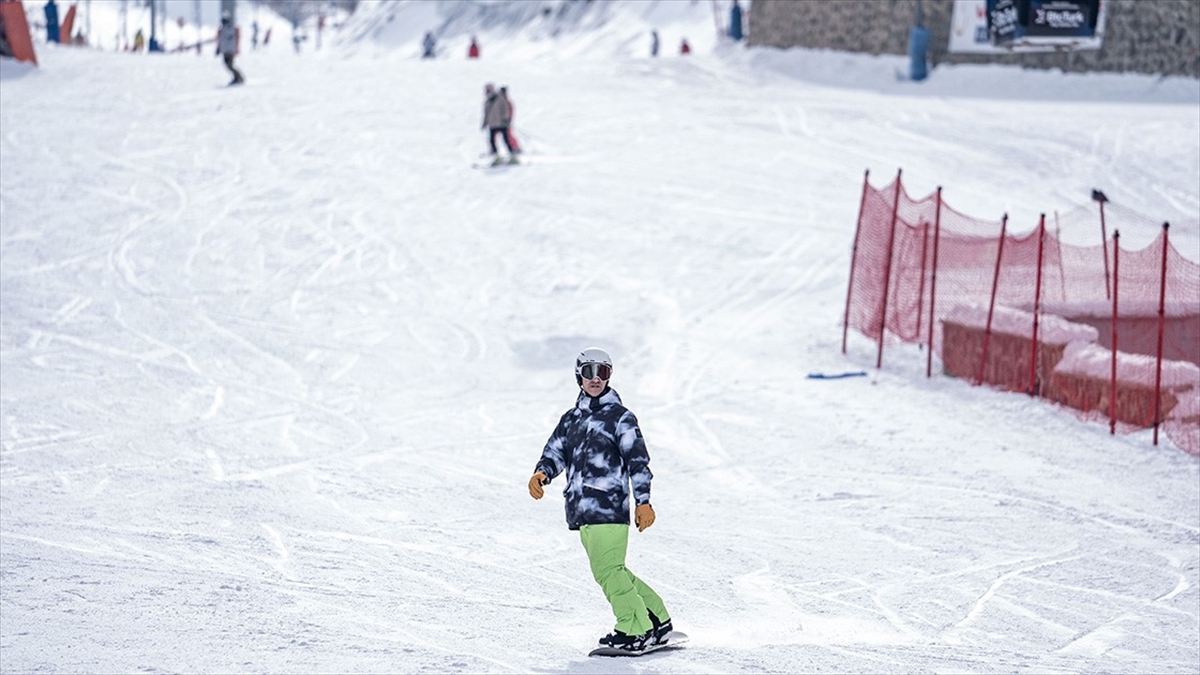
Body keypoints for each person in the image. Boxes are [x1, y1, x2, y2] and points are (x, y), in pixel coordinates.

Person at [528, 348, 674, 653]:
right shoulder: (571, 419)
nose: (596, 379)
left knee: (607, 572)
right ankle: (657, 620)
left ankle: (633, 629)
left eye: (603, 372)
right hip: (581, 510)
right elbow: (555, 452)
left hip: (609, 506)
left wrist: (643, 501)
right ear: (578, 376)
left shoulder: (620, 417)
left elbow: (638, 461)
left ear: (609, 376)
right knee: (614, 569)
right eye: (589, 372)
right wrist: (542, 473)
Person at [481, 82, 515, 165]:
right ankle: (496, 157)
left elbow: (505, 109)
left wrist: (506, 119)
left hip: (502, 123)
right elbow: (486, 113)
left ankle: (513, 156)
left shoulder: (500, 98)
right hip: (492, 124)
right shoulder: (487, 102)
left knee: (506, 140)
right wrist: (484, 122)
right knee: (492, 141)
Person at [216, 16, 244, 85]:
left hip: (227, 50)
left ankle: (239, 77)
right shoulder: (232, 29)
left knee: (229, 65)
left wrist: (218, 48)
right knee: (229, 65)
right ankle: (237, 77)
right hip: (229, 50)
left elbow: (220, 40)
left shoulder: (223, 30)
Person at [499, 86, 522, 155]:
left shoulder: (507, 101)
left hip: (506, 122)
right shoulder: (501, 101)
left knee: (508, 135)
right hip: (499, 122)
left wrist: (508, 119)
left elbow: (510, 111)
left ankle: (516, 147)